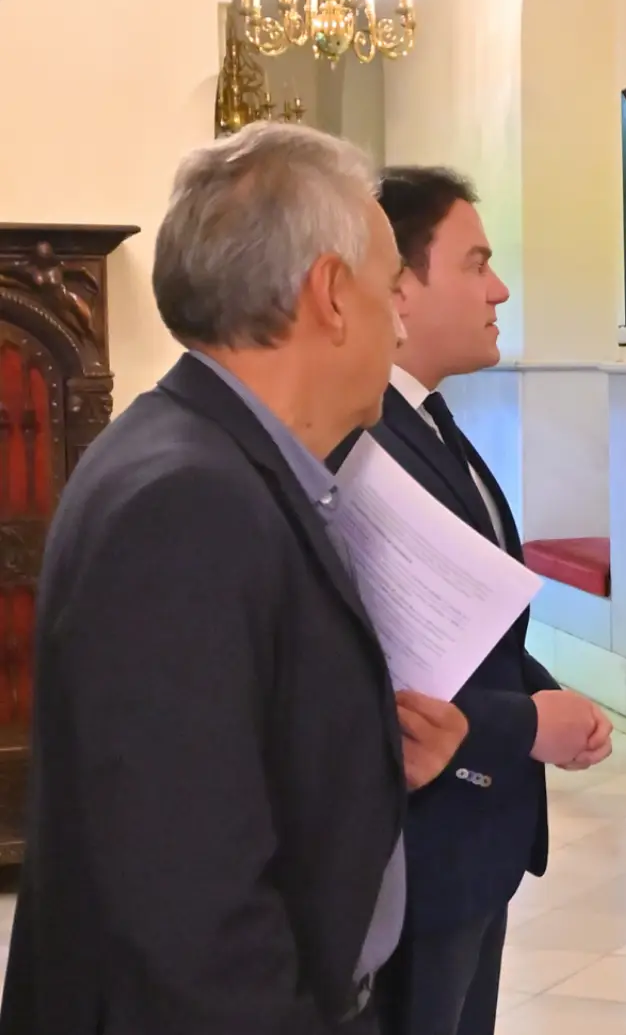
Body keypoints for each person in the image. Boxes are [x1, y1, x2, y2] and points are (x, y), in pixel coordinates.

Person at [0, 123, 469, 1035]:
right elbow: (186, 906)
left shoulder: (209, 456)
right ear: (331, 295)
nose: (401, 322)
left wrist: (364, 752)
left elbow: (211, 757)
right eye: (389, 289)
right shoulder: (187, 501)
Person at [336, 165, 613, 1035]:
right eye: (476, 263)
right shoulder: (363, 438)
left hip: (471, 838)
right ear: (398, 287)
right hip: (421, 839)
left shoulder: (428, 419)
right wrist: (527, 724)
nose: (499, 290)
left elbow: (476, 621)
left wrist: (545, 694)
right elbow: (386, 665)